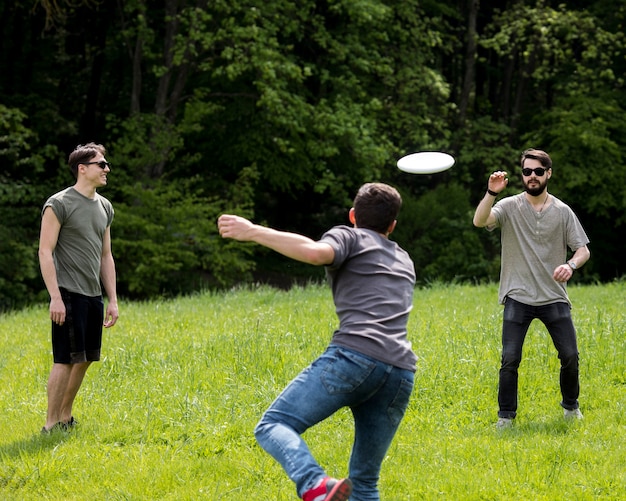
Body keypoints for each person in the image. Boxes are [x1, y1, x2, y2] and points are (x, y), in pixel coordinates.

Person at [218, 183, 416, 501]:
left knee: (273, 424)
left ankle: (315, 484)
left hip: (354, 358)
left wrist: (253, 230)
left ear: (353, 216)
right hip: (400, 374)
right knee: (364, 483)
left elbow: (314, 253)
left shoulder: (349, 236)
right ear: (392, 225)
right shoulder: (404, 259)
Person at [473, 148, 590, 429]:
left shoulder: (562, 211)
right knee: (510, 359)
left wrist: (570, 266)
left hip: (553, 297)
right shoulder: (509, 206)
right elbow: (479, 221)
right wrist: (491, 193)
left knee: (570, 356)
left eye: (538, 171)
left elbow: (583, 250)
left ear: (548, 173)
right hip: (518, 296)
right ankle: (505, 418)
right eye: (527, 171)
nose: (532, 176)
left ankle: (571, 407)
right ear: (522, 175)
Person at [38, 142, 119, 433]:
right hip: (67, 293)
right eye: (102, 164)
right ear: (82, 169)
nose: (107, 169)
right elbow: (45, 251)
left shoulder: (105, 207)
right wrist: (55, 297)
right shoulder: (59, 203)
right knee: (64, 360)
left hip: (93, 296)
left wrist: (112, 299)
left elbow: (105, 255)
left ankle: (65, 417)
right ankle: (49, 424)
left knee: (85, 359)